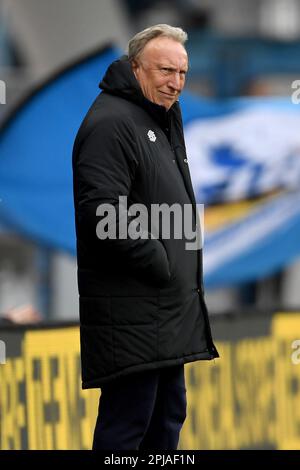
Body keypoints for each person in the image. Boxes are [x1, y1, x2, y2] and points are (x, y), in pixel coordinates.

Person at [72, 24, 219, 451]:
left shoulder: (160, 116)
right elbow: (103, 212)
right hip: (135, 316)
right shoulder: (111, 123)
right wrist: (160, 261)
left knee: (166, 423)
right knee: (127, 431)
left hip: (165, 315)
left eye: (182, 73)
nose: (175, 82)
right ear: (136, 68)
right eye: (165, 70)